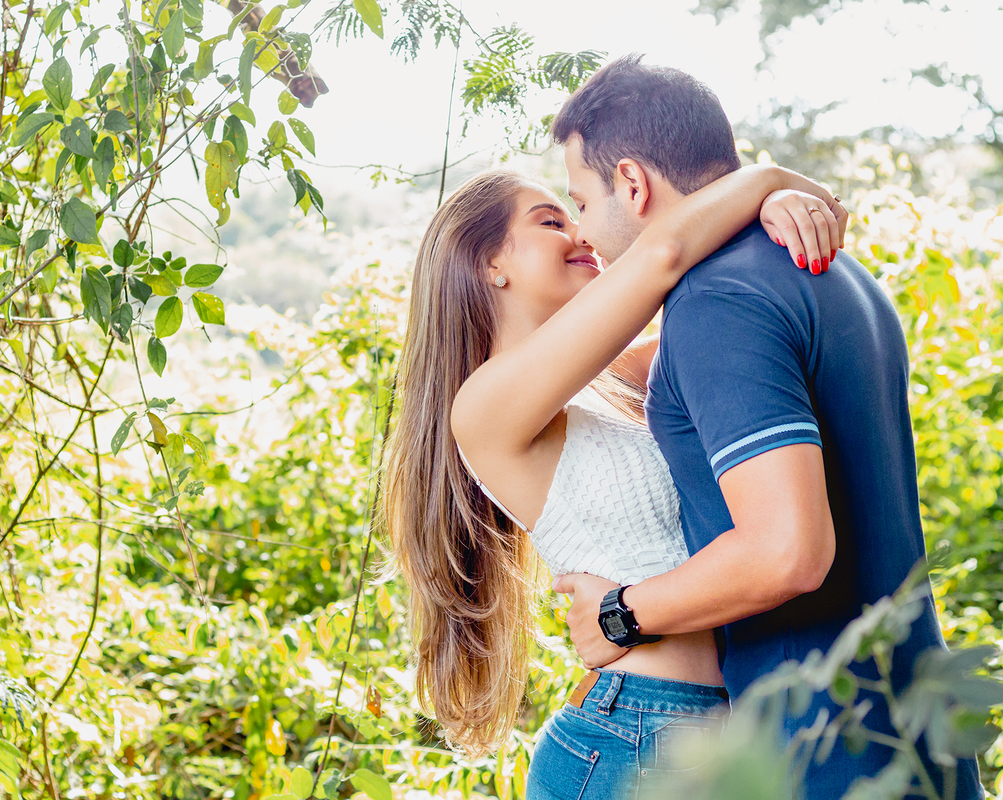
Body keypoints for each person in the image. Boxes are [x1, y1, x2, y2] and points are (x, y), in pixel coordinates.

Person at [549, 55, 984, 799]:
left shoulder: (717, 302)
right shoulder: (838, 275)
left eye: (579, 201)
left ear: (632, 182)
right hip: (919, 739)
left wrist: (620, 616)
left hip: (821, 753)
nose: (583, 230)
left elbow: (788, 551)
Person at [379, 152, 846, 795]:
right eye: (550, 221)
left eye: (576, 215)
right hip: (632, 733)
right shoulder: (482, 407)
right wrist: (768, 180)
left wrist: (768, 216)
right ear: (490, 263)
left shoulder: (619, 375)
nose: (581, 233)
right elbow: (665, 255)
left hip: (722, 728)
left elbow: (735, 305)